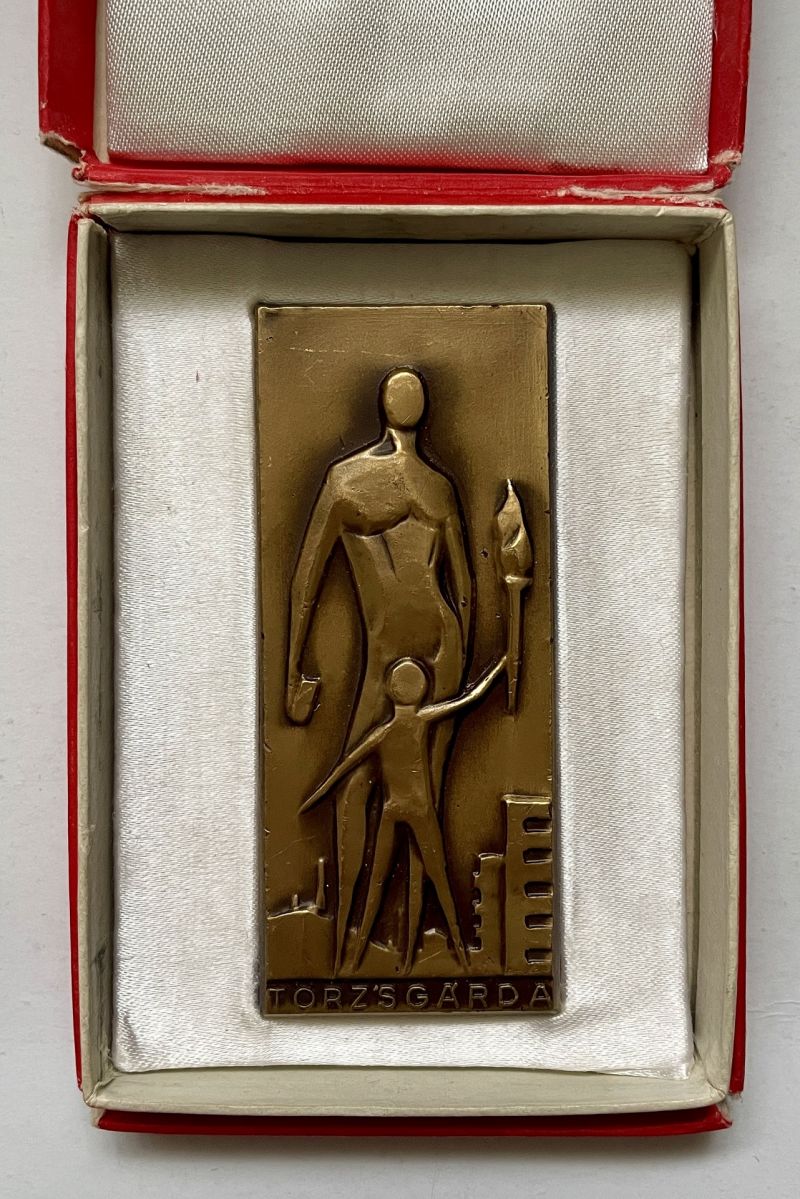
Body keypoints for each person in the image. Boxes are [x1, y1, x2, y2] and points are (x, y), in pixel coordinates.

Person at [286, 368, 473, 972]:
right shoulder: (428, 487)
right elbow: (464, 592)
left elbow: (306, 581)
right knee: (387, 790)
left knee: (400, 795)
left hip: (422, 646)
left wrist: (294, 670)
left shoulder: (354, 482)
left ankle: (394, 953)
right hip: (440, 644)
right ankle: (360, 948)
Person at [300, 654, 507, 971]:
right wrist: (500, 666)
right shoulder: (422, 720)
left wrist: (319, 794)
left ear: (389, 690)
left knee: (375, 887)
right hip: (419, 812)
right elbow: (470, 698)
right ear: (420, 690)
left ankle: (353, 962)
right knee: (440, 883)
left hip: (392, 811)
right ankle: (462, 957)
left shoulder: (381, 733)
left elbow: (343, 768)